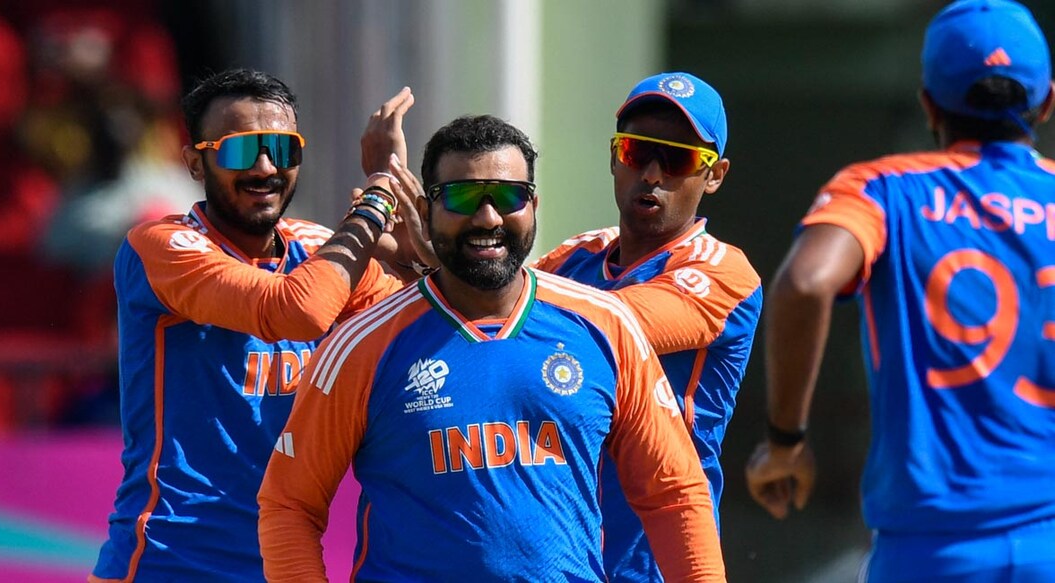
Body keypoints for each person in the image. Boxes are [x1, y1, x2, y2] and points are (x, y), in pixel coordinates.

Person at [257, 114, 726, 582]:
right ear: (425, 211)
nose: (488, 218)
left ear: (533, 206)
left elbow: (674, 493)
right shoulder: (362, 345)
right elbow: (289, 506)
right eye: (462, 198)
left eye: (508, 197)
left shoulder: (606, 326)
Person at [745, 1, 1055, 580]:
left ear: (929, 104)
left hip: (932, 553)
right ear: (1047, 102)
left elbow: (806, 283)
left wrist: (786, 441)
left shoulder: (883, 188)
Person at [89, 68, 413, 582]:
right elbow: (297, 311)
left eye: (282, 149)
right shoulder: (162, 245)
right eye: (241, 151)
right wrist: (377, 199)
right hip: (170, 561)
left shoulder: (317, 248)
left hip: (285, 562)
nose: (265, 168)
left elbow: (420, 320)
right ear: (195, 163)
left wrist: (419, 251)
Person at [531, 72, 761, 582]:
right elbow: (484, 319)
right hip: (558, 554)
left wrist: (494, 285)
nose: (652, 174)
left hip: (655, 560)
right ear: (615, 157)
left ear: (714, 175)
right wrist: (425, 257)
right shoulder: (575, 256)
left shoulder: (724, 270)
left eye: (677, 159)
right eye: (637, 152)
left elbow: (613, 325)